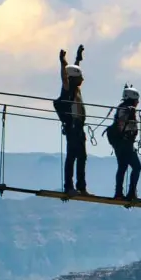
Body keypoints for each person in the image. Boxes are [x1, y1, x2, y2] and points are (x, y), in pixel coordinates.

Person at [56, 44, 88, 197]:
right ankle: (69, 186)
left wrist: (78, 58)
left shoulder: (76, 90)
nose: (82, 79)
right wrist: (63, 63)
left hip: (79, 127)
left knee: (82, 156)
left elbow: (74, 69)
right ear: (74, 79)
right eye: (79, 77)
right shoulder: (67, 90)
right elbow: (65, 76)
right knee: (72, 156)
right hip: (72, 127)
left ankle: (81, 187)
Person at [109, 84, 141, 202]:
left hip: (118, 143)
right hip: (125, 143)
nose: (138, 102)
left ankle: (118, 193)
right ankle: (131, 194)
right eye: (136, 100)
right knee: (137, 167)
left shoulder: (121, 108)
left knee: (122, 167)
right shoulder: (128, 110)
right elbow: (127, 127)